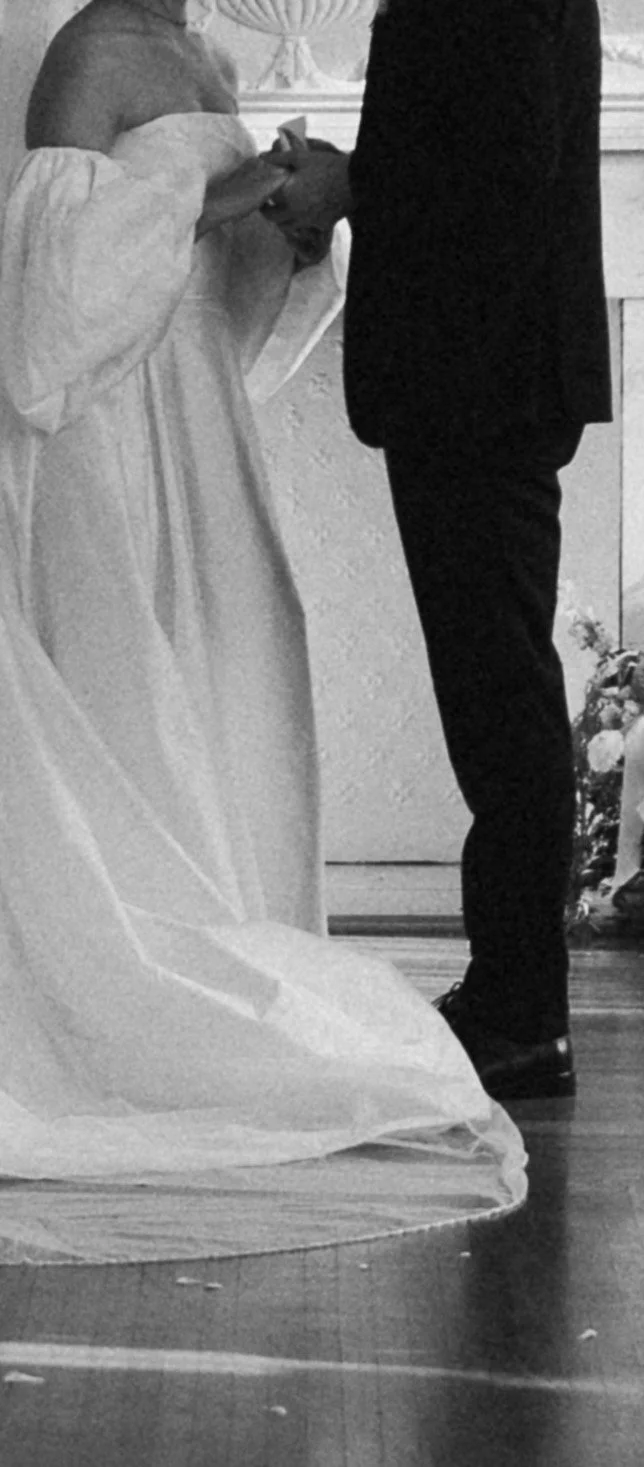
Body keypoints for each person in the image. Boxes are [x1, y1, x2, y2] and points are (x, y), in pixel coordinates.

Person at [0, 0, 526, 1265]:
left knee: (240, 669)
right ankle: (133, 986)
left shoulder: (214, 60)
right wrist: (222, 193)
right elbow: (47, 306)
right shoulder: (89, 53)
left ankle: (232, 946)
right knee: (138, 688)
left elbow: (219, 299)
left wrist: (291, 232)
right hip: (107, 435)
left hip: (198, 418)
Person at [265, 0, 614, 1101]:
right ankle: (509, 994)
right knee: (494, 693)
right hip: (481, 375)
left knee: (502, 696)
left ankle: (521, 1013)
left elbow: (503, 169)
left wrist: (347, 183)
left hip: (482, 381)